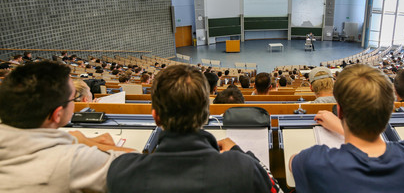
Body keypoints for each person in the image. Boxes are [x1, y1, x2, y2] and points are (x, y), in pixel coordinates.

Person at [107, 65, 279, 192]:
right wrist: (241, 153)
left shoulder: (122, 172)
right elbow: (274, 188)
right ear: (206, 114)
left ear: (156, 117)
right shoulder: (244, 168)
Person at [0, 61, 133, 192]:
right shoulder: (71, 162)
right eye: (72, 99)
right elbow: (139, 167)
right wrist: (85, 142)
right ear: (57, 114)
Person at [290, 64, 404, 193]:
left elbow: (292, 161)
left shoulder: (315, 161)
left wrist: (341, 128)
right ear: (389, 111)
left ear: (339, 111)